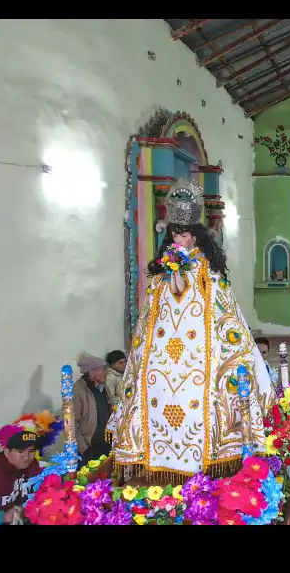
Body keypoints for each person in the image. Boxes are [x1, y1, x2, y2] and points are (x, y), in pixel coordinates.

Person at [108, 178, 275, 480]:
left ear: (196, 235)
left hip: (201, 360)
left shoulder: (209, 273)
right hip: (163, 365)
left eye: (183, 233)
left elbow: (224, 316)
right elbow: (149, 319)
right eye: (173, 232)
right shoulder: (160, 274)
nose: (177, 238)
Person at [0, 413, 61, 518]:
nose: (26, 457)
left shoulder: (39, 470)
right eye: (20, 452)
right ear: (7, 452)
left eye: (31, 451)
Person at [73, 353, 113, 463]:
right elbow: (71, 424)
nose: (107, 372)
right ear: (92, 373)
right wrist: (84, 449)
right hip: (90, 448)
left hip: (107, 442)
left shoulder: (102, 386)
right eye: (103, 369)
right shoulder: (78, 391)